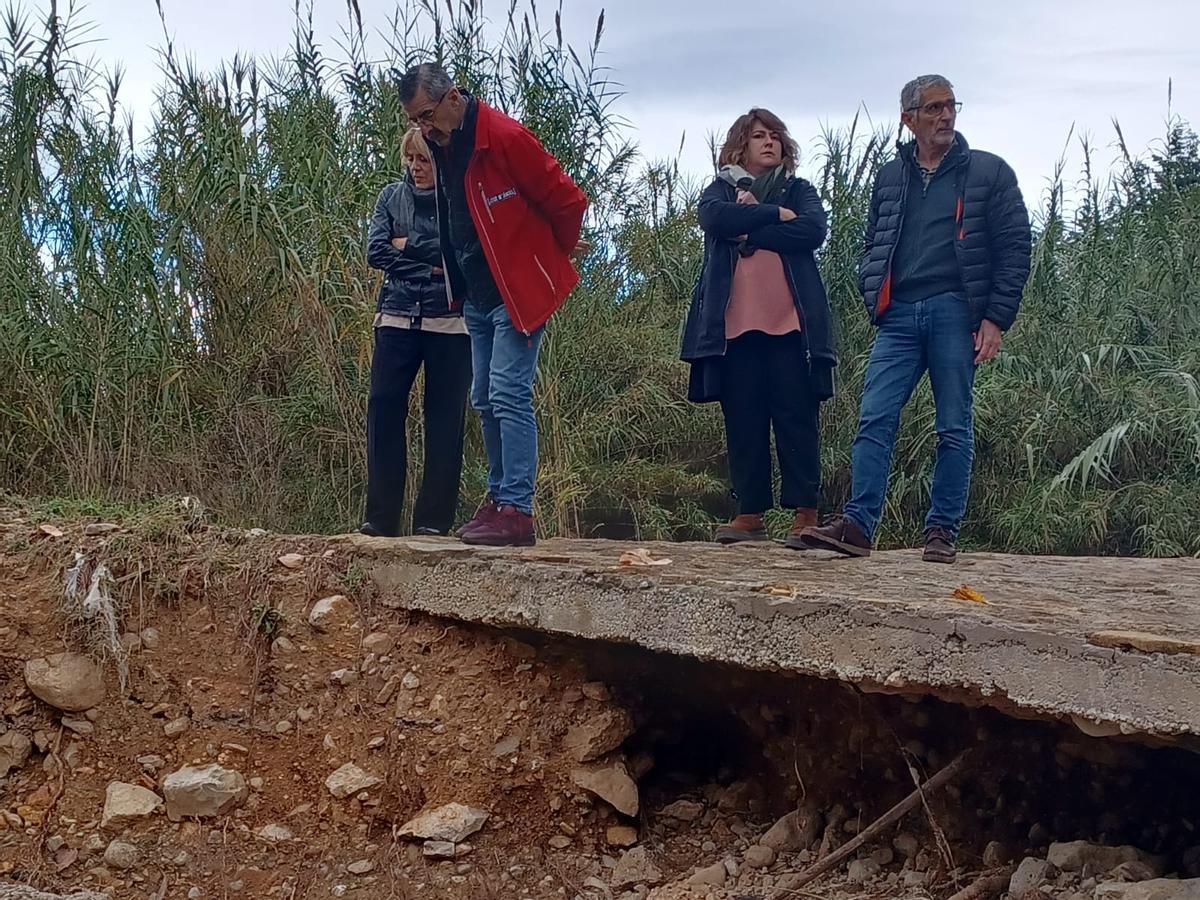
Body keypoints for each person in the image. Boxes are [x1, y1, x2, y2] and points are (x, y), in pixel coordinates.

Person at [800, 75, 1031, 563]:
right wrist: (874, 294)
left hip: (956, 310)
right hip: (899, 314)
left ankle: (942, 531)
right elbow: (874, 244)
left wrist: (995, 318)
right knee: (875, 418)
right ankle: (859, 527)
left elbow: (1014, 249)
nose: (945, 116)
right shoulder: (889, 176)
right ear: (908, 119)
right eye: (933, 109)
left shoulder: (990, 173)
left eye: (951, 106)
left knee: (953, 426)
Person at [398, 63, 588, 547]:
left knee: (508, 391)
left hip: (517, 290)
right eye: (415, 120)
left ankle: (518, 509)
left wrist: (550, 256)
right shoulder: (444, 148)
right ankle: (499, 495)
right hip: (477, 292)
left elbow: (567, 199)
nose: (423, 128)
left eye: (426, 115)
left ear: (453, 98)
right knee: (483, 395)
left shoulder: (503, 136)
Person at [681, 109, 837, 548]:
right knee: (743, 419)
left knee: (796, 417)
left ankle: (806, 512)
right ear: (741, 145)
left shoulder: (800, 190)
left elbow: (811, 231)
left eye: (775, 136)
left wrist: (753, 231)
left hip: (791, 327)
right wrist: (775, 216)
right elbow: (716, 221)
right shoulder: (721, 190)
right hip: (736, 328)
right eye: (758, 136)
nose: (769, 143)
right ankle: (750, 513)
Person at [361, 127, 472, 538]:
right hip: (396, 316)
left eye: (423, 159)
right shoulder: (391, 197)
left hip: (450, 322)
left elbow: (460, 253)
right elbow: (376, 251)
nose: (415, 167)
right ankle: (380, 517)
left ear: (438, 159)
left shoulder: (459, 198)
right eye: (410, 159)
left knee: (445, 419)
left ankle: (432, 521)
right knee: (384, 409)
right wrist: (429, 265)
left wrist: (406, 245)